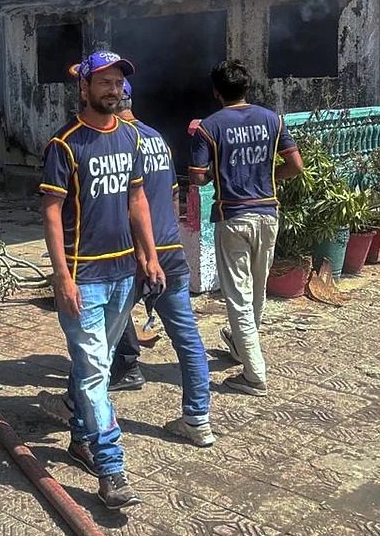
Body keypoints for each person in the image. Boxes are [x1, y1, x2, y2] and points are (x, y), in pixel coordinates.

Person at [46, 76, 217, 448]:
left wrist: (142, 252)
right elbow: (172, 197)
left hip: (130, 255)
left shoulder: (124, 141)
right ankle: (198, 418)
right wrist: (163, 245)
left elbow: (117, 206)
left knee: (98, 342)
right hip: (166, 252)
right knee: (185, 336)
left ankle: (82, 407)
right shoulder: (159, 140)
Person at [40, 50, 164, 510]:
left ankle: (80, 439)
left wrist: (149, 258)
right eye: (104, 83)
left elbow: (138, 202)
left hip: (122, 275)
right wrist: (62, 277)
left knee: (100, 362)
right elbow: (51, 212)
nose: (113, 90)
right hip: (84, 279)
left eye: (118, 83)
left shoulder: (129, 137)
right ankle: (112, 468)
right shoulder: (65, 144)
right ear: (84, 88)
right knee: (95, 371)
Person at [190, 59, 303, 398]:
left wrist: (219, 176)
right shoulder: (273, 119)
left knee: (238, 298)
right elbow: (294, 166)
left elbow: (197, 177)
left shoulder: (208, 128)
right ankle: (241, 349)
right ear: (247, 89)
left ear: (216, 92)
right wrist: (269, 180)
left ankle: (254, 374)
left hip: (232, 217)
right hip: (268, 214)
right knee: (256, 290)